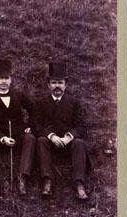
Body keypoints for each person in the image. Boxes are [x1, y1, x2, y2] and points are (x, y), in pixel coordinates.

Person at [33, 62, 90, 200]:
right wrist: (51, 136)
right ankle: (47, 181)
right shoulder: (40, 103)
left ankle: (79, 183)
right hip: (50, 143)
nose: (57, 86)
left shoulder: (74, 102)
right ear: (48, 84)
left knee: (80, 143)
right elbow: (36, 126)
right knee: (40, 140)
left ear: (66, 85)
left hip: (67, 143)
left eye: (60, 82)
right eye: (54, 82)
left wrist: (68, 137)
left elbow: (81, 127)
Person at [0, 59, 36, 194]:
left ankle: (23, 178)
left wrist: (30, 126)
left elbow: (34, 109)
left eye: (6, 78)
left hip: (17, 134)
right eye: (0, 78)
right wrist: (2, 138)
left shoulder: (19, 95)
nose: (4, 82)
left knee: (31, 138)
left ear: (11, 80)